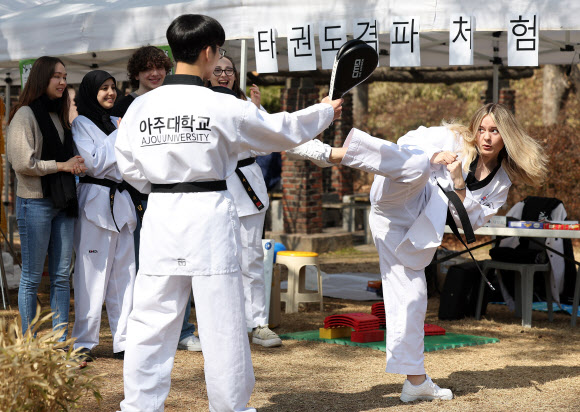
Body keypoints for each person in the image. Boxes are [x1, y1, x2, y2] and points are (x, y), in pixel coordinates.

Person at [114, 14, 342, 411]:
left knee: (150, 319)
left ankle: (138, 406)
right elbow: (279, 130)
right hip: (208, 214)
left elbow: (129, 167)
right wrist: (323, 111)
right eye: (218, 52)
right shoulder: (220, 105)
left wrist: (163, 185)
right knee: (222, 322)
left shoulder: (140, 108)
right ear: (208, 52)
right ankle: (231, 406)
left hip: (162, 214)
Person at [326, 103, 547, 402]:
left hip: (408, 227)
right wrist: (433, 157)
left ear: (506, 136)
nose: (486, 137)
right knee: (417, 163)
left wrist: (458, 182)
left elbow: (470, 223)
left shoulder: (501, 182)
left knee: (414, 296)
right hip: (394, 198)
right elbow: (403, 145)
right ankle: (330, 154)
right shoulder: (453, 138)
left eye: (494, 131)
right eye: (481, 129)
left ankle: (415, 381)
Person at [112, 45, 201, 352]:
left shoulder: (176, 100)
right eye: (147, 68)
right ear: (136, 73)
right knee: (145, 268)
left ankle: (184, 330)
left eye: (160, 67)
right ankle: (148, 332)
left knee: (184, 263)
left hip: (179, 196)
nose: (154, 73)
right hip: (138, 198)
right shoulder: (125, 106)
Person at [7, 56, 86, 341]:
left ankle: (59, 343)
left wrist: (74, 164)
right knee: (30, 278)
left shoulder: (59, 115)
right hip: (36, 202)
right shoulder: (25, 115)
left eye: (65, 76)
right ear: (42, 78)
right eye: (57, 76)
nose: (63, 82)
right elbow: (22, 163)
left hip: (63, 202)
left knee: (62, 277)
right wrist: (62, 165)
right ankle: (29, 344)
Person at [70, 70, 139, 361]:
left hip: (121, 202)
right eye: (103, 89)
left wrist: (115, 146)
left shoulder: (115, 123)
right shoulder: (81, 124)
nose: (110, 93)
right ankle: (83, 342)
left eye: (112, 88)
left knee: (124, 275)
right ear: (91, 92)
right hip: (95, 203)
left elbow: (129, 164)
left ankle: (124, 340)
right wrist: (120, 138)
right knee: (91, 275)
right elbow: (94, 164)